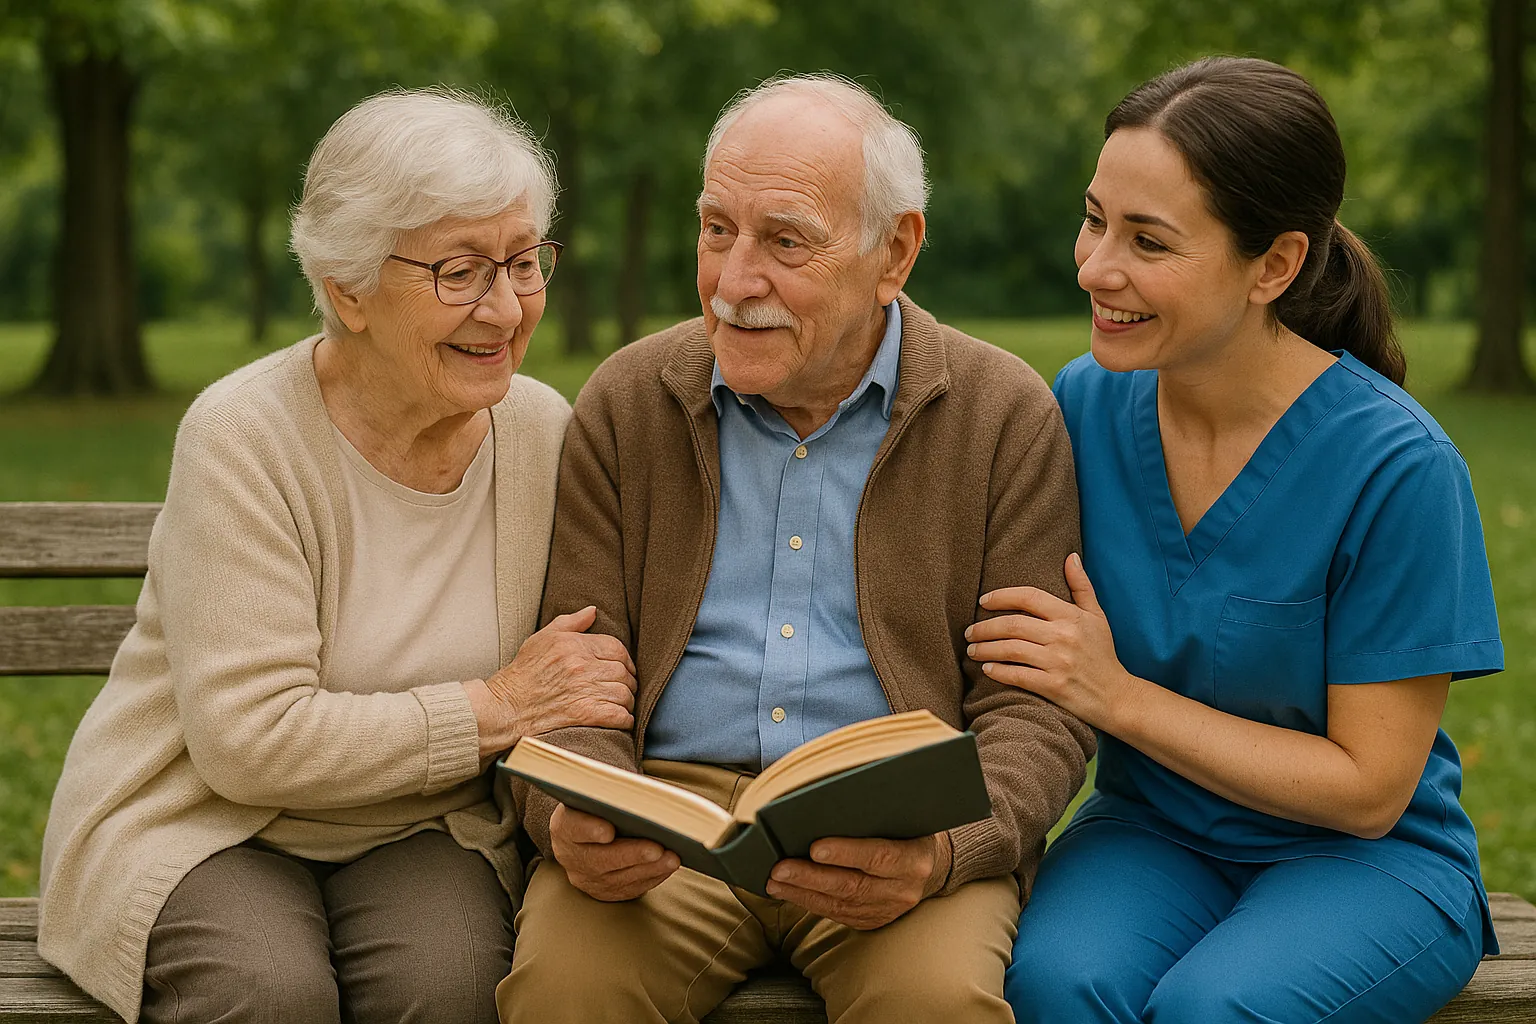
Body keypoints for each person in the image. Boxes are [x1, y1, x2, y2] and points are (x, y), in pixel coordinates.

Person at [494, 74, 1095, 1024]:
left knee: (938, 1004)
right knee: (565, 995)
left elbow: (1036, 709)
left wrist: (947, 852)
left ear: (894, 251)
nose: (734, 283)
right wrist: (575, 817)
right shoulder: (630, 399)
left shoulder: (1002, 416)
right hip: (670, 817)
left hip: (900, 825)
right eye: (716, 229)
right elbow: (576, 673)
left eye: (785, 241)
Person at [38, 88, 638, 1024]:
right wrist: (498, 707)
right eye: (459, 272)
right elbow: (249, 743)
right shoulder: (245, 437)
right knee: (265, 992)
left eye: (524, 262)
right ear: (348, 288)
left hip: (422, 824)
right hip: (207, 822)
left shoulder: (539, 432)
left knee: (451, 986)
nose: (507, 306)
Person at [969, 57, 1505, 1023]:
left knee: (1217, 1009)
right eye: (1095, 220)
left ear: (1276, 265)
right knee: (1058, 984)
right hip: (1151, 834)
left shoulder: (1399, 468)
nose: (1096, 267)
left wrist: (1117, 697)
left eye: (1149, 241)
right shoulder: (1081, 406)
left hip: (1368, 859)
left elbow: (1370, 789)